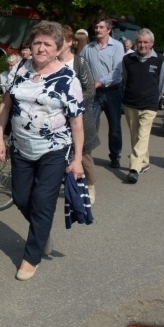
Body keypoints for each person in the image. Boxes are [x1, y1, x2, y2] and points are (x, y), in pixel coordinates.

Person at [0, 21, 84, 281]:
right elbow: (6, 105)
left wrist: (77, 159)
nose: (41, 48)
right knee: (21, 198)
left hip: (54, 150)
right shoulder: (20, 69)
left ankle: (31, 256)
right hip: (21, 147)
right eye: (37, 43)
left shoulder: (68, 79)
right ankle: (41, 231)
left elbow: (76, 122)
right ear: (30, 46)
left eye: (47, 44)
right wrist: (0, 138)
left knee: (43, 201)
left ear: (57, 49)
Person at [121, 29, 164, 183]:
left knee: (143, 135)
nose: (142, 45)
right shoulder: (128, 60)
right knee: (135, 136)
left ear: (152, 44)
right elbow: (125, 80)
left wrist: (156, 99)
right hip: (131, 103)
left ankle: (134, 168)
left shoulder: (160, 60)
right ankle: (145, 162)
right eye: (140, 42)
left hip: (149, 104)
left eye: (146, 42)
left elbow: (162, 84)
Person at [58, 25, 99, 203]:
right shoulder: (51, 62)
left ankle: (90, 185)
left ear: (70, 42)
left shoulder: (79, 62)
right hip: (57, 117)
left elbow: (90, 90)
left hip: (78, 115)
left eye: (61, 39)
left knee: (83, 154)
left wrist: (74, 106)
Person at [80, 17, 125, 168]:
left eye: (101, 27)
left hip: (112, 91)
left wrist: (100, 82)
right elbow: (82, 67)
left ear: (108, 30)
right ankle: (86, 156)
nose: (97, 30)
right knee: (89, 124)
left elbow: (117, 71)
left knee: (114, 126)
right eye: (96, 27)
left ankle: (115, 156)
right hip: (94, 93)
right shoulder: (89, 48)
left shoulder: (117, 46)